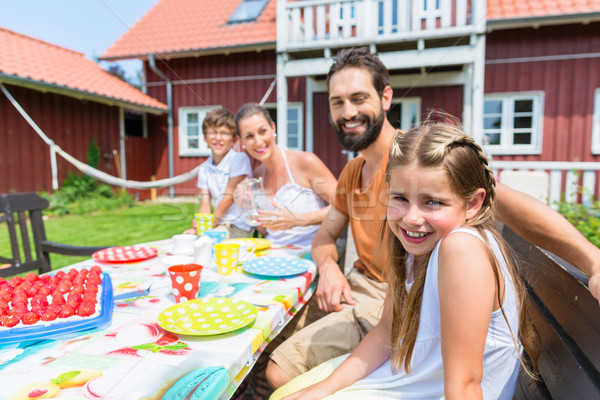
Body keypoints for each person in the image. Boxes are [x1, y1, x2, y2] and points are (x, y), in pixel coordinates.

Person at [266, 46, 600, 388]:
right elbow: (325, 236)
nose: (348, 112)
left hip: (391, 303)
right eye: (337, 102)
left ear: (385, 97)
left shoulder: (416, 158)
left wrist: (592, 260)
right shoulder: (354, 170)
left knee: (278, 366)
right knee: (269, 329)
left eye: (358, 98)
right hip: (361, 292)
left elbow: (508, 205)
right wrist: (330, 267)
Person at [272, 119, 539, 400]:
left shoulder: (461, 249)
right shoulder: (415, 249)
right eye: (399, 198)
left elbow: (466, 385)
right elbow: (387, 329)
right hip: (408, 379)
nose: (411, 217)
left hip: (434, 391)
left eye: (432, 202)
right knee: (289, 392)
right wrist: (324, 388)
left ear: (473, 203)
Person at [233, 103, 337, 247]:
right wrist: (245, 205)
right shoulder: (258, 175)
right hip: (273, 253)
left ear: (273, 128)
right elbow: (267, 231)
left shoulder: (305, 162)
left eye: (262, 131)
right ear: (242, 141)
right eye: (249, 136)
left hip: (311, 253)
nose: (258, 141)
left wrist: (298, 219)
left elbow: (344, 206)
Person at [185, 108, 252, 239]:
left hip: (237, 226)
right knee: (189, 241)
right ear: (205, 137)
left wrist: (205, 228)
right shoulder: (204, 169)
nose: (218, 138)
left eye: (224, 133)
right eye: (213, 132)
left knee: (205, 243)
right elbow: (204, 205)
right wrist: (201, 225)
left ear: (234, 139)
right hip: (217, 224)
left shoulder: (239, 159)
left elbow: (227, 198)